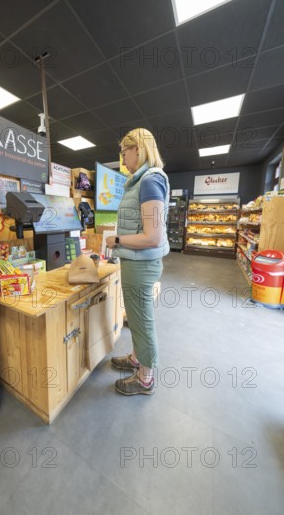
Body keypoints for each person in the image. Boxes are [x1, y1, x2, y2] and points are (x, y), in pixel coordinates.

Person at [106, 128, 170, 396]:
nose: (122, 159)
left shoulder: (149, 182)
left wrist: (117, 240)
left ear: (138, 149)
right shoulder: (142, 180)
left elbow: (153, 237)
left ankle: (145, 378)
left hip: (141, 264)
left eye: (124, 152)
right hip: (137, 263)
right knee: (135, 317)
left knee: (142, 322)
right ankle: (136, 359)